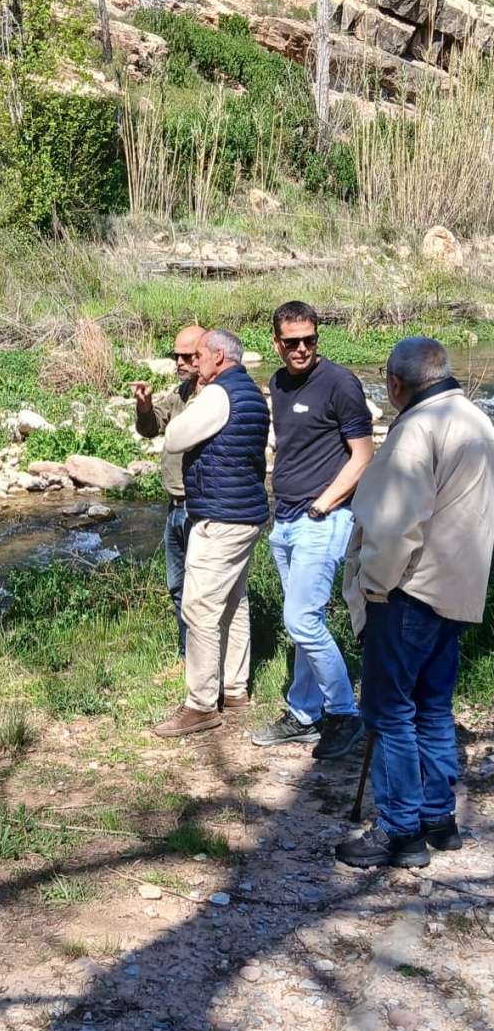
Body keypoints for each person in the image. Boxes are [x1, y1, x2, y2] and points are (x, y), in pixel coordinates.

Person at [337, 338, 494, 868]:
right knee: (431, 706)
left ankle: (400, 831)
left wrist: (372, 587)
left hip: (408, 592)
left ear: (395, 384)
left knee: (390, 712)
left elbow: (393, 527)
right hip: (457, 589)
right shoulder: (476, 420)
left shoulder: (416, 429)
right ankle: (437, 818)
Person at [252, 301, 372, 760]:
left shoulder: (340, 384)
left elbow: (363, 456)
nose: (301, 349)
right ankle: (304, 714)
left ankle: (343, 715)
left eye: (310, 340)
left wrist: (324, 504)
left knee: (301, 619)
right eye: (292, 342)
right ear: (276, 344)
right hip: (285, 519)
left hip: (323, 519)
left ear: (318, 339)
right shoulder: (279, 383)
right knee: (304, 622)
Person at [153, 331, 269, 737]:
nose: (193, 361)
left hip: (220, 516)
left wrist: (201, 394)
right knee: (234, 603)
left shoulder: (218, 395)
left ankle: (201, 704)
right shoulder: (251, 393)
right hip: (246, 513)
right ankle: (235, 690)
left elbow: (174, 437)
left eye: (199, 354)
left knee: (199, 606)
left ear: (219, 357)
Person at [132, 326, 252, 710]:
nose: (183, 363)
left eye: (190, 355)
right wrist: (145, 406)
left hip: (204, 508)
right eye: (178, 357)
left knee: (210, 600)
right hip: (178, 506)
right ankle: (203, 668)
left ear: (210, 353)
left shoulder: (217, 394)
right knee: (182, 589)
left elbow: (177, 438)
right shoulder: (183, 392)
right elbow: (152, 428)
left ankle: (209, 690)